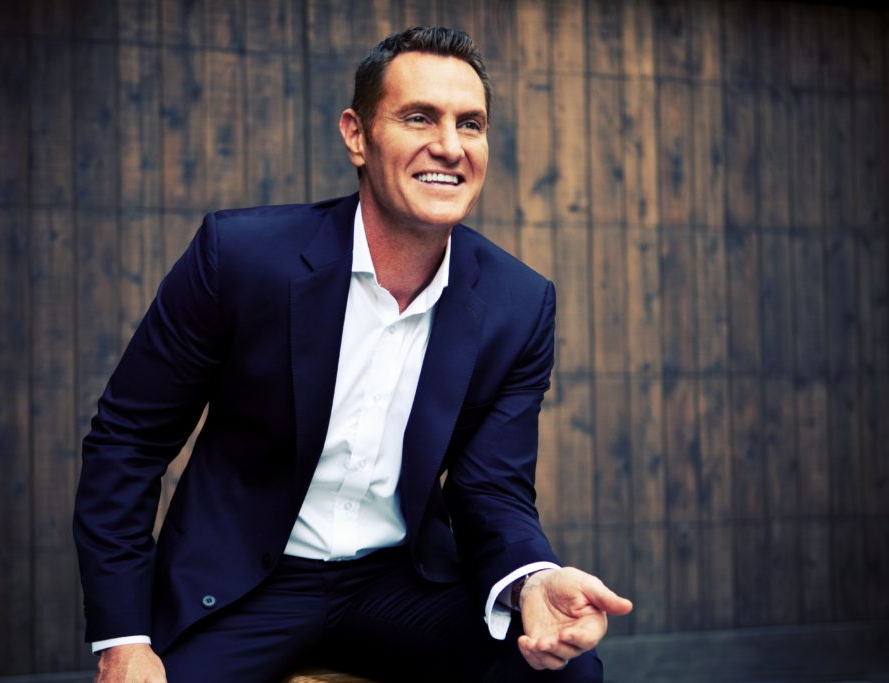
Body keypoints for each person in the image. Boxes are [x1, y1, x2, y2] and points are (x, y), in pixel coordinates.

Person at [74, 26, 632, 683]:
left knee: (566, 672)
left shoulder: (518, 303)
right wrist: (122, 640)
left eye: (471, 124)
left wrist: (532, 581)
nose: (449, 146)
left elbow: (493, 488)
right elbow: (127, 441)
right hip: (244, 589)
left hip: (399, 585)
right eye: (419, 117)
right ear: (356, 136)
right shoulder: (240, 257)